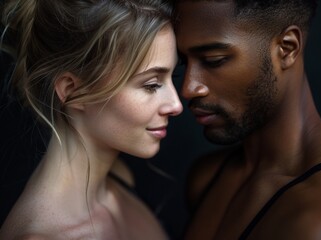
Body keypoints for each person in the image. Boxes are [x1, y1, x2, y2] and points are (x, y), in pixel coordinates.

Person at [174, 0, 321, 239]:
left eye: (214, 60)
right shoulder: (206, 179)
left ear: (287, 48)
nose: (188, 88)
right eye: (183, 63)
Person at [0, 0, 183, 239]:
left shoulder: (121, 177)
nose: (176, 105)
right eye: (151, 85)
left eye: (173, 76)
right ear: (73, 90)